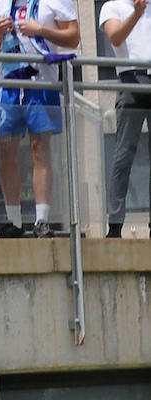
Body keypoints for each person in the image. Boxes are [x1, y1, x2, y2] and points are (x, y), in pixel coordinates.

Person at [0, 0, 78, 238]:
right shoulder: (2, 4)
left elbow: (74, 36)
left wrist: (41, 31)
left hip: (42, 83)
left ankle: (42, 221)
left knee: (40, 149)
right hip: (8, 85)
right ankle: (14, 221)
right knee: (4, 151)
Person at [100, 0, 151, 238]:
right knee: (123, 155)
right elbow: (116, 38)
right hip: (131, 80)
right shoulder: (112, 6)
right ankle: (115, 225)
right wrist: (137, 13)